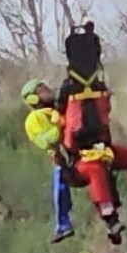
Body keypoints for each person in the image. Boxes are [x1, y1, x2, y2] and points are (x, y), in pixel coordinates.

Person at [56, 21, 127, 242]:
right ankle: (110, 218)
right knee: (96, 169)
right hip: (79, 160)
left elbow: (105, 113)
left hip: (103, 149)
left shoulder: (98, 90)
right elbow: (65, 135)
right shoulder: (65, 96)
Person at [22, 79, 77, 243]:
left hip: (77, 148)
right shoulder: (34, 119)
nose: (48, 90)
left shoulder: (59, 107)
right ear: (33, 98)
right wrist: (58, 126)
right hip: (61, 156)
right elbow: (43, 141)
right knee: (60, 188)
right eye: (42, 89)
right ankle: (62, 225)